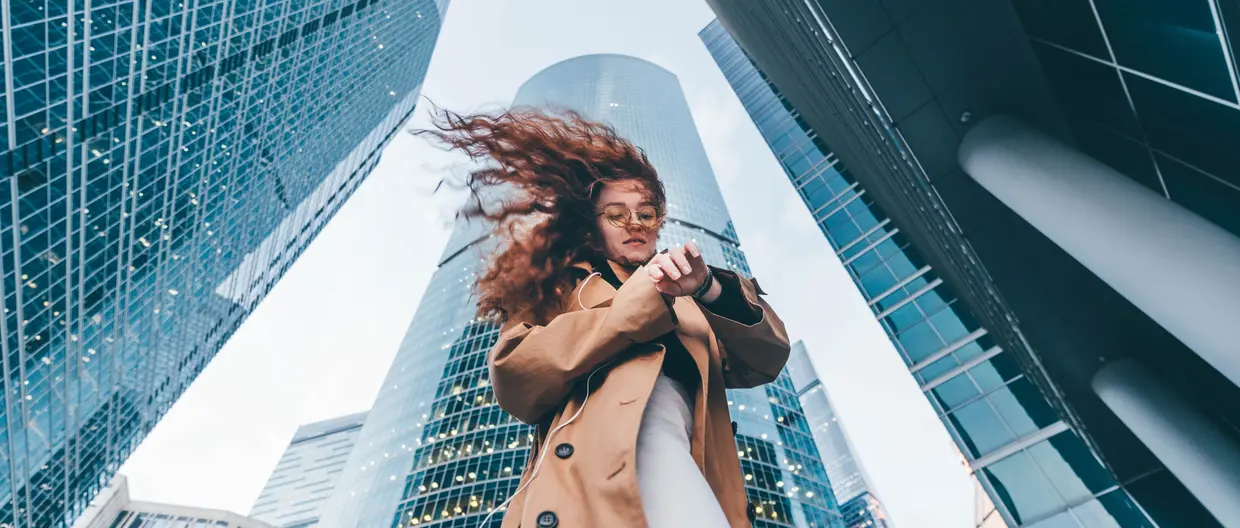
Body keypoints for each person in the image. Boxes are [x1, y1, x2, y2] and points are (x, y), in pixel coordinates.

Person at [420, 107, 791, 528]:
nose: (635, 224)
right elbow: (515, 375)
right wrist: (629, 314)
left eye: (646, 214)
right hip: (585, 481)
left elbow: (767, 359)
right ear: (594, 224)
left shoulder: (690, 300)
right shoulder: (563, 287)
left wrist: (710, 289)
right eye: (617, 214)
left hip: (689, 468)